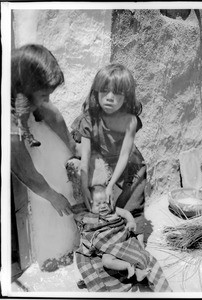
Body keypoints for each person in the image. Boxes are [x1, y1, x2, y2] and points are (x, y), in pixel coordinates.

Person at [11, 44, 78, 270]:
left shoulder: (27, 94)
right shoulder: (8, 118)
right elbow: (23, 168)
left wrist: (74, 150)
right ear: (25, 88)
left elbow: (52, 114)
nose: (46, 99)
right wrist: (52, 195)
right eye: (42, 94)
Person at [71, 63, 147, 246]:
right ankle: (112, 241)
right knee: (107, 205)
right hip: (103, 165)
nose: (110, 98)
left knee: (132, 203)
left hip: (130, 165)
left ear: (126, 96)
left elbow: (125, 155)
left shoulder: (130, 121)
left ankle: (138, 242)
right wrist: (84, 187)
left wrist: (112, 184)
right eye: (104, 91)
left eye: (117, 93)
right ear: (96, 92)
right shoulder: (89, 119)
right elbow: (86, 157)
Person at [73, 184, 171, 292]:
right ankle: (129, 267)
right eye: (98, 204)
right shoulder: (91, 218)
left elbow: (126, 213)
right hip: (109, 247)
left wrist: (131, 221)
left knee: (139, 255)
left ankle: (139, 272)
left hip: (124, 241)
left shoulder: (114, 210)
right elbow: (85, 228)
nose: (103, 206)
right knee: (107, 261)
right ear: (90, 206)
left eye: (105, 202)